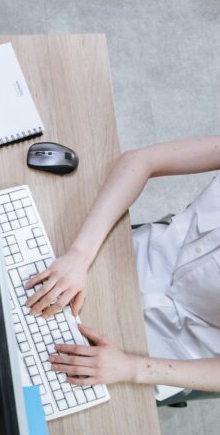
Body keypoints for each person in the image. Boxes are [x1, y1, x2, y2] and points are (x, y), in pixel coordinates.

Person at [23, 136, 220, 392]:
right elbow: (142, 160)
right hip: (121, 257)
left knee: (38, 387)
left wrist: (130, 367)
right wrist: (79, 255)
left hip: (158, 353)